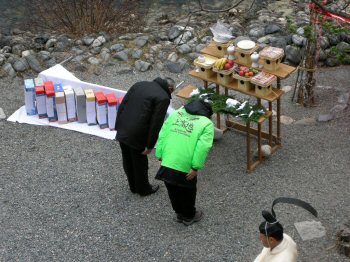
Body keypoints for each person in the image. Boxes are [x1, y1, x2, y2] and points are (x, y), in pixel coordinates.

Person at [155, 100, 214, 226]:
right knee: (188, 191)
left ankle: (178, 213)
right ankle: (189, 216)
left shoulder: (176, 114)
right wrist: (195, 167)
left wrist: (160, 156)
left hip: (168, 160)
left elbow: (163, 134)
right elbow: (202, 148)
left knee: (172, 189)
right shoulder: (206, 124)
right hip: (185, 165)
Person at [115, 77, 175, 196]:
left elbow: (123, 104)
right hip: (138, 133)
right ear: (169, 88)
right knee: (139, 162)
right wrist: (150, 145)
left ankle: (133, 186)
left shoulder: (139, 84)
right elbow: (156, 123)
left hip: (124, 127)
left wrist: (118, 125)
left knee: (127, 158)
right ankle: (143, 189)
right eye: (172, 91)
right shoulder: (163, 98)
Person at [254, 197, 318, 262]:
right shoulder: (285, 237)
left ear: (271, 240)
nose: (260, 239)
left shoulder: (283, 260)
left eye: (262, 237)